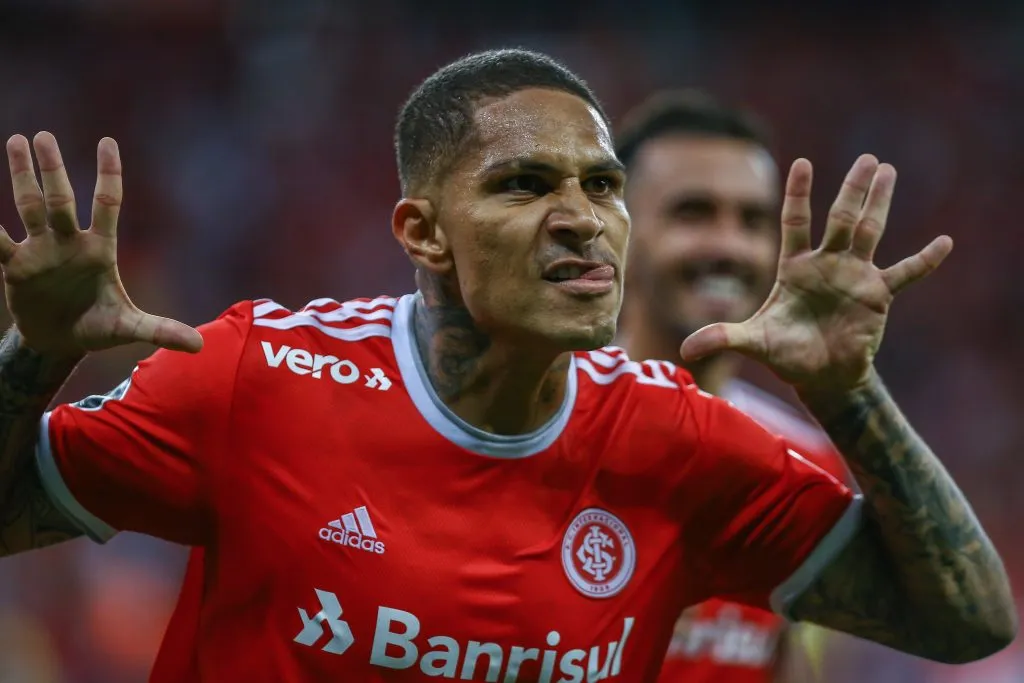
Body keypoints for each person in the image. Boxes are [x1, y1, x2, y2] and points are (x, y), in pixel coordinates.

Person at [0, 49, 1014, 682]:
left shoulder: (682, 441)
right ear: (423, 232)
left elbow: (966, 623)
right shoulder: (256, 374)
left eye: (602, 186)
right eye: (525, 185)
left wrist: (849, 391)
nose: (580, 218)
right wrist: (35, 351)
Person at [613, 90, 851, 682]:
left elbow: (784, 661)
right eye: (693, 213)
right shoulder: (541, 426)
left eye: (752, 220)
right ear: (614, 231)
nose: (727, 246)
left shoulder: (806, 461)